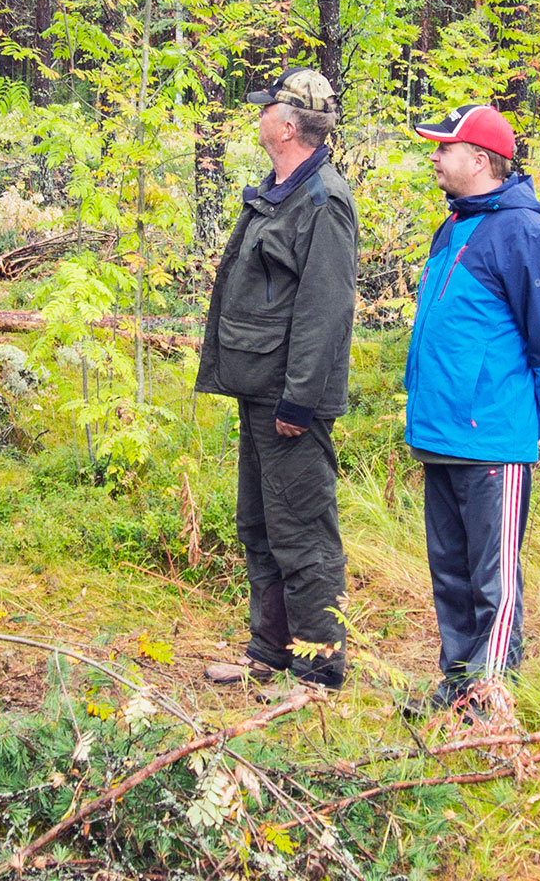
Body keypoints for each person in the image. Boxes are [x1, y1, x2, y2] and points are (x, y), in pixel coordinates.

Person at [400, 103, 540, 715]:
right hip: (441, 435)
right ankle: (456, 685)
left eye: (444, 148)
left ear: (480, 160)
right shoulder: (452, 227)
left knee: (493, 582)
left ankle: (487, 695)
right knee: (450, 575)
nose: (434, 156)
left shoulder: (527, 235)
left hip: (491, 442)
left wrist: (512, 426)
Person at [195, 67, 360, 690]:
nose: (259, 115)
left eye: (268, 109)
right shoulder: (279, 190)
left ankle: (317, 672)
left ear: (289, 126)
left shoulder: (324, 201)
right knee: (260, 525)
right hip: (259, 388)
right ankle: (269, 654)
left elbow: (325, 310)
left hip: (290, 401)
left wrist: (301, 399)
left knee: (303, 533)